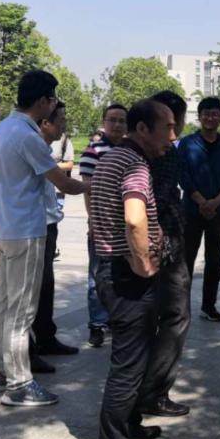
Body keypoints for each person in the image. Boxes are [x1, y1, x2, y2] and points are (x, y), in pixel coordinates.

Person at [0, 70, 87, 407]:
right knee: (21, 311)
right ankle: (19, 384)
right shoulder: (29, 136)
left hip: (5, 228)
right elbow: (64, 182)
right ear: (43, 100)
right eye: (53, 99)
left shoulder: (4, 128)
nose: (55, 106)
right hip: (26, 231)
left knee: (5, 304)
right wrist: (97, 183)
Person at [91, 99, 177, 439]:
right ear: (142, 129)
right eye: (167, 127)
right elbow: (134, 219)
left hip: (112, 268)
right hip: (127, 277)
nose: (173, 136)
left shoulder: (112, 157)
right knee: (128, 365)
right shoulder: (135, 165)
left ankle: (128, 425)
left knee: (136, 358)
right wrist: (143, 264)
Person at [137, 90, 192, 418]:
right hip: (164, 244)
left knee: (151, 318)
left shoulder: (131, 152)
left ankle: (144, 390)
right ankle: (154, 392)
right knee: (175, 316)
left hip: (152, 243)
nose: (174, 132)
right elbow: (157, 201)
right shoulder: (163, 152)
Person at [178, 97, 220, 323]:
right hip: (191, 212)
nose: (210, 118)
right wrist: (202, 201)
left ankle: (209, 305)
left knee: (214, 261)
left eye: (214, 114)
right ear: (200, 116)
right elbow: (183, 175)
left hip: (218, 213)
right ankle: (181, 307)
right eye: (206, 113)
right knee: (186, 261)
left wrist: (215, 202)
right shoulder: (187, 144)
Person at [30, 101, 81, 361]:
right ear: (45, 123)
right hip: (33, 227)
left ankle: (46, 337)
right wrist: (96, 185)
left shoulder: (44, 147)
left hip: (47, 223)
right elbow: (66, 185)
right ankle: (28, 350)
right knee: (33, 289)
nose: (64, 125)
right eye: (60, 120)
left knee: (46, 285)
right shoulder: (35, 147)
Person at [80, 104, 128, 348]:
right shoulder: (94, 151)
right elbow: (88, 189)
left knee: (123, 275)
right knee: (97, 275)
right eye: (112, 120)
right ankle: (97, 324)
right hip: (101, 223)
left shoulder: (132, 149)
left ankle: (117, 320)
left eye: (122, 120)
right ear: (104, 122)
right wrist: (92, 219)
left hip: (126, 223)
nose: (117, 125)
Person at [49, 124, 75, 261]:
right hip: (38, 187)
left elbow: (69, 164)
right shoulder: (35, 137)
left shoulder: (64, 140)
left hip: (56, 187)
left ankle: (51, 247)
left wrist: (48, 165)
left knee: (53, 220)